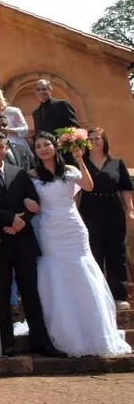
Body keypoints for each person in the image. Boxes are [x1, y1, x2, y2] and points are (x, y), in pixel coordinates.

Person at [28, 132, 131, 357]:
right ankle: (64, 330)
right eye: (38, 146)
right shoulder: (32, 175)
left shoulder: (70, 171)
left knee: (82, 269)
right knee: (56, 271)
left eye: (47, 144)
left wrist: (80, 158)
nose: (43, 148)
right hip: (50, 228)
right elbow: (25, 197)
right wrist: (27, 200)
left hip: (73, 226)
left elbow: (88, 186)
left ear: (55, 147)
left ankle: (94, 328)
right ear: (35, 151)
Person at [0, 131, 61, 358]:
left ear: (7, 148)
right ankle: (5, 343)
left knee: (31, 293)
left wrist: (21, 221)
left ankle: (41, 342)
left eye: (1, 146)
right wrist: (10, 219)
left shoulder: (19, 173)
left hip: (23, 241)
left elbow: (33, 201)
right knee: (1, 294)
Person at [81, 127, 133, 309]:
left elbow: (126, 188)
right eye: (91, 138)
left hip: (113, 210)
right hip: (90, 210)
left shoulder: (117, 162)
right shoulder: (82, 162)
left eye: (98, 138)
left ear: (104, 141)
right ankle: (96, 295)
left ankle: (119, 296)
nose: (95, 141)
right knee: (94, 252)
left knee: (116, 254)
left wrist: (130, 210)